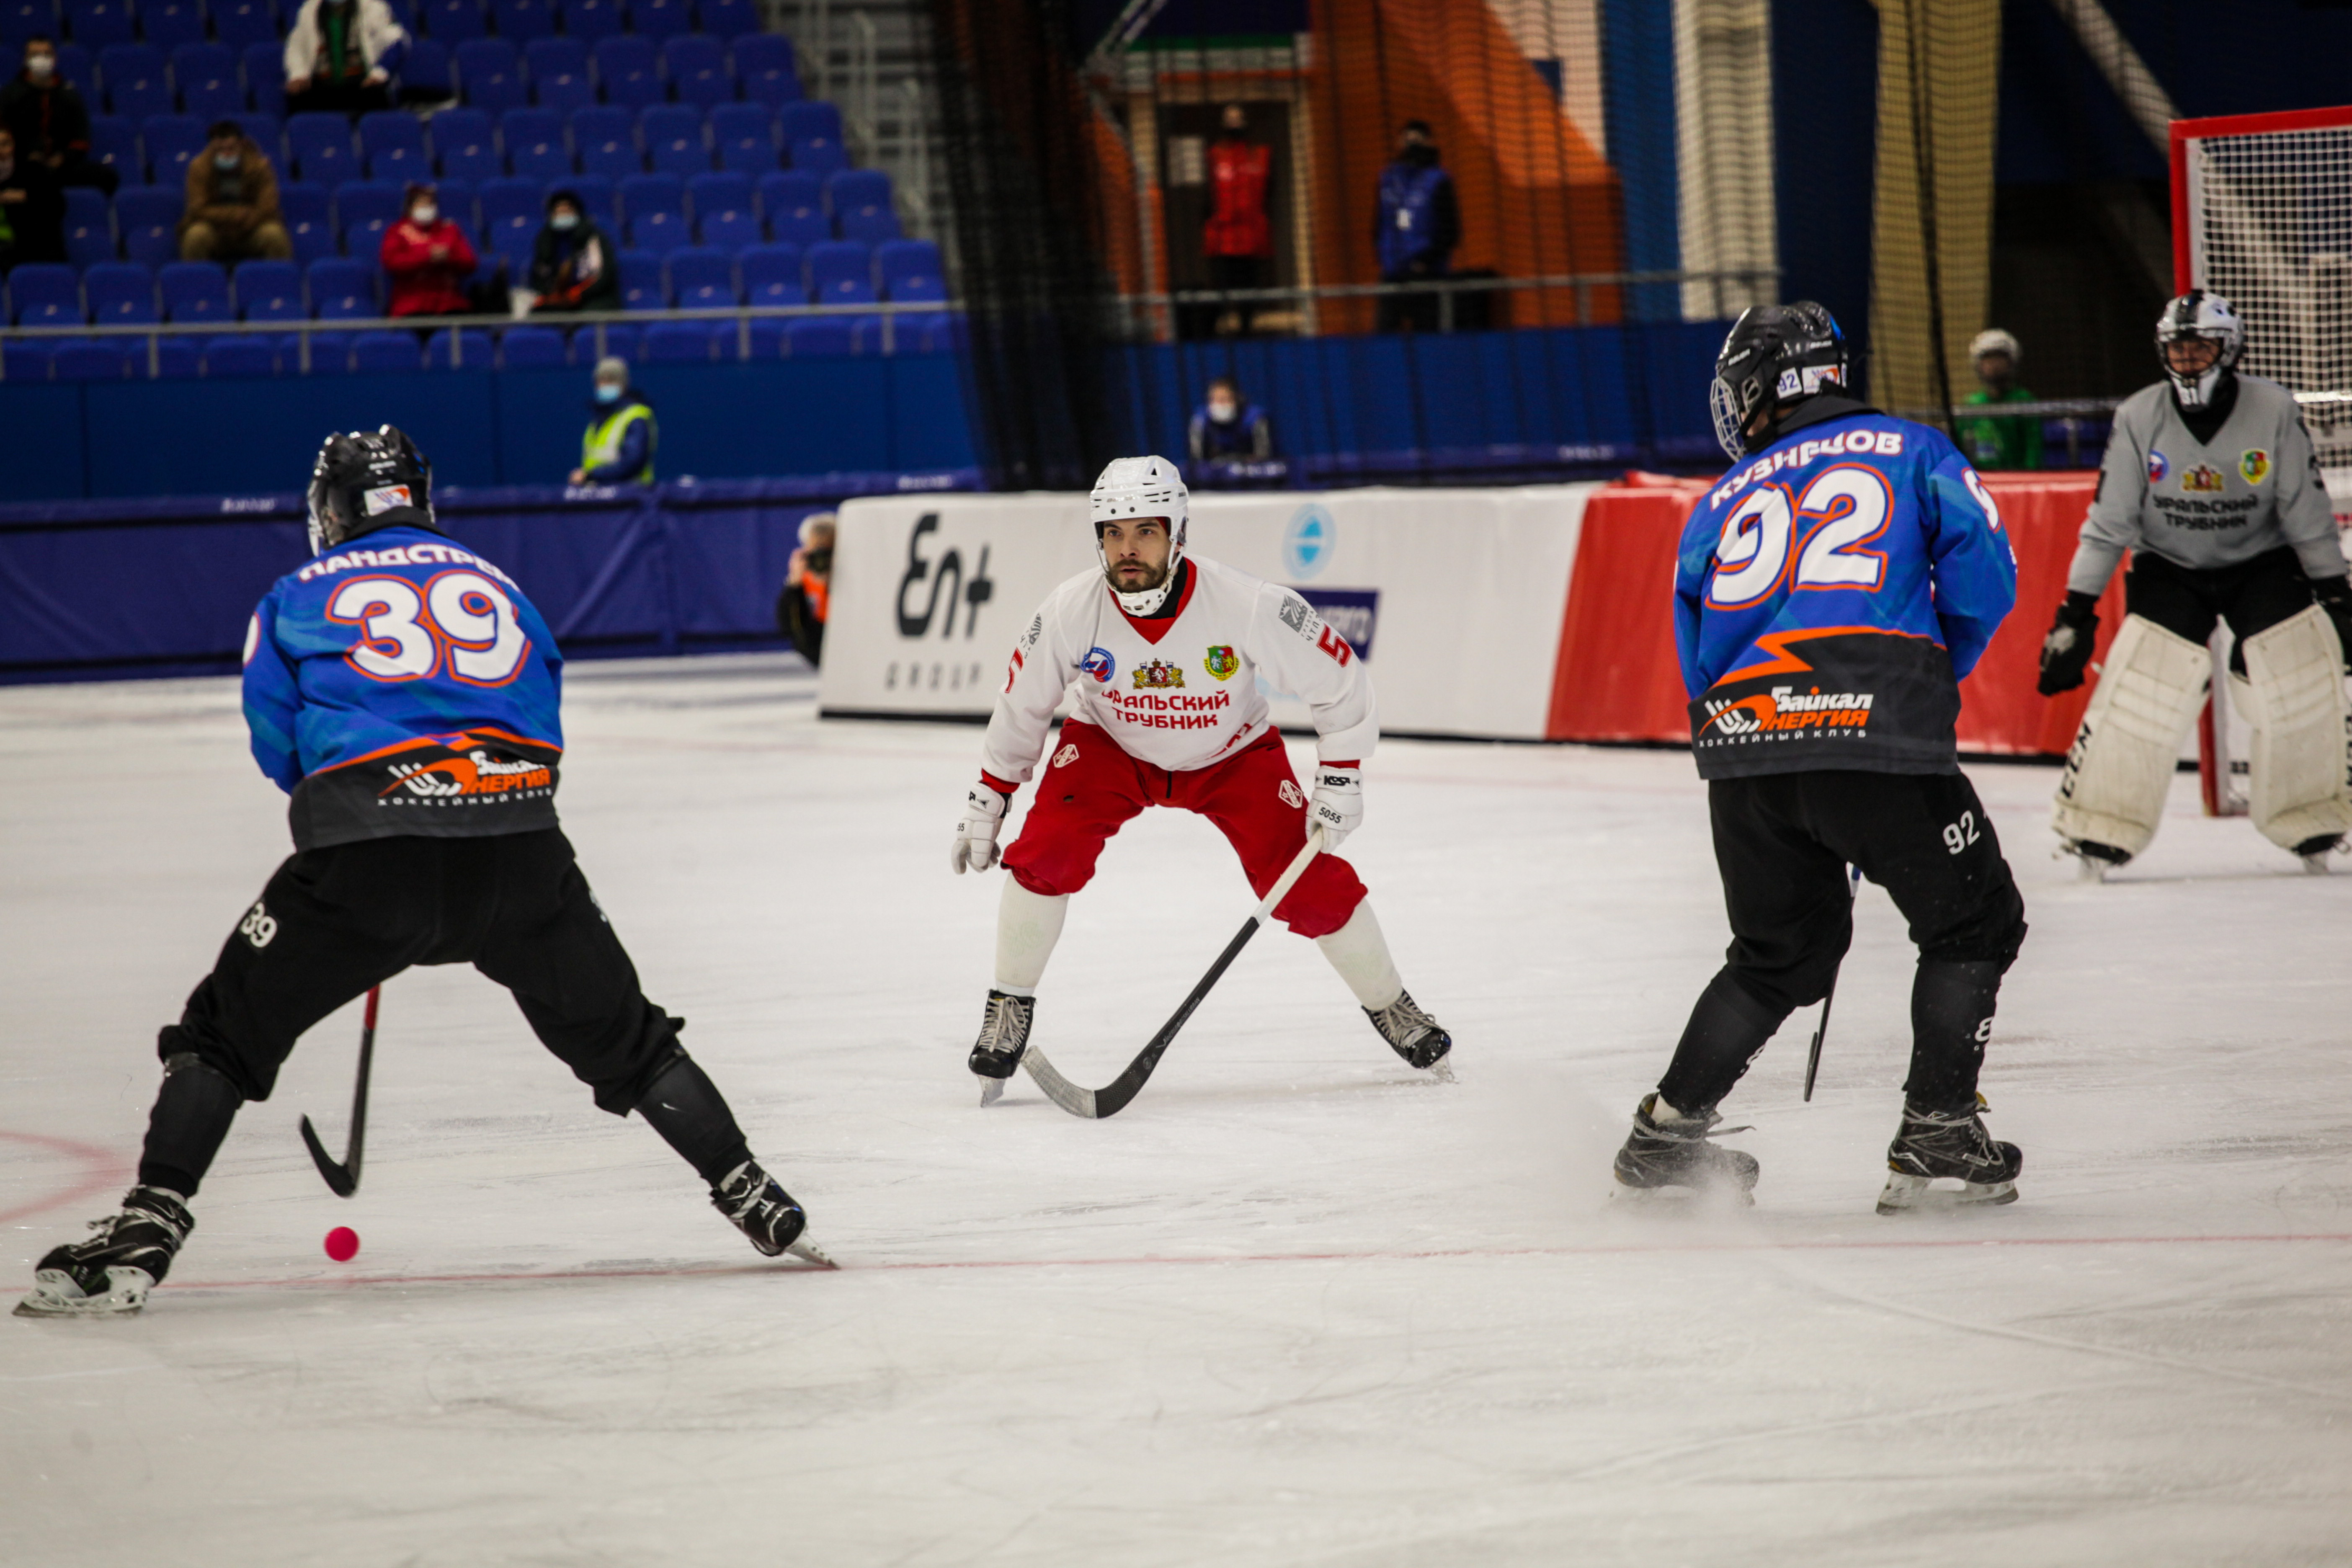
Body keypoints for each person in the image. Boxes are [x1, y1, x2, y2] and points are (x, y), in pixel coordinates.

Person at [13, 428, 823, 1318]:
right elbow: (543, 710)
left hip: (367, 854)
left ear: (332, 510)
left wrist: (366, 816)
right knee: (631, 1041)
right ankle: (749, 1188)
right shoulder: (495, 581)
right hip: (518, 848)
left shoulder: (293, 595)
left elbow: (278, 741)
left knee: (222, 1033)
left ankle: (151, 1221)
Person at [1613, 301, 2027, 1214]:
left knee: (1774, 956)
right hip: (1876, 729)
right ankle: (1938, 1134)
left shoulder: (1720, 498)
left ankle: (1663, 1141)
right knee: (1973, 924)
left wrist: (1758, 732)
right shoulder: (1916, 450)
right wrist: (1920, 680)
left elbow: (1697, 649)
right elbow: (1985, 578)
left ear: (1764, 387)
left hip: (1744, 749)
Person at [948, 456, 1455, 1097]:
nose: (1127, 550)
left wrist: (1342, 776)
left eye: (1145, 532)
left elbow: (1341, 679)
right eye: (1113, 534)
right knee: (1047, 850)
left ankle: (1392, 1005)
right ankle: (1009, 1005)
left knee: (1306, 882)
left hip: (1232, 755)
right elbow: (1021, 703)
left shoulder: (1248, 605)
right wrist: (988, 799)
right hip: (1111, 748)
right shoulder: (1072, 608)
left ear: (1178, 533)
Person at [2035, 290, 2352, 875]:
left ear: (2229, 351)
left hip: (2262, 564)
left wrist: (2335, 593)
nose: (2188, 361)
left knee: (2303, 676)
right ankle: (2100, 831)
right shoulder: (2138, 415)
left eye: (2200, 348)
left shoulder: (2274, 409)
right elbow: (2109, 524)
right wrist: (2073, 616)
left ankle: (2313, 822)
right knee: (2141, 692)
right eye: (2178, 350)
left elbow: (2305, 509)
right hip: (2170, 568)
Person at [1373, 119, 1459, 333]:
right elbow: (1378, 223)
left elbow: (1451, 231)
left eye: (1418, 141)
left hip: (1429, 277)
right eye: (1407, 141)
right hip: (1393, 275)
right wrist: (1384, 255)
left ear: (1429, 143)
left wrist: (1425, 261)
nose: (1412, 146)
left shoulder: (1439, 180)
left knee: (1429, 338)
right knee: (1385, 338)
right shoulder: (1388, 179)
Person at [1, 37, 115, 195]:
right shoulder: (10, 95)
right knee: (36, 175)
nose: (41, 59)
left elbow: (81, 140)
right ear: (26, 59)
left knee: (107, 176)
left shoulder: (69, 95)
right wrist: (28, 154)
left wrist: (62, 159)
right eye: (35, 55)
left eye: (46, 54)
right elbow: (4, 136)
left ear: (55, 58)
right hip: (23, 165)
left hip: (62, 165)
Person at [1201, 103, 1272, 338]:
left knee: (1249, 292)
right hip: (1223, 240)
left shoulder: (1259, 155)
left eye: (1238, 118)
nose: (1234, 123)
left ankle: (1247, 333)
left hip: (1251, 240)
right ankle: (1210, 335)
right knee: (1219, 291)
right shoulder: (1214, 156)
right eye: (1229, 118)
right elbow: (1206, 199)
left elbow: (1269, 196)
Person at [178, 121, 292, 264]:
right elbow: (198, 208)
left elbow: (267, 207)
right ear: (211, 147)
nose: (226, 154)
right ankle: (195, 281)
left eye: (231, 148)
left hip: (252, 227)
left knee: (274, 235)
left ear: (241, 145)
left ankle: (280, 282)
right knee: (195, 236)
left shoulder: (260, 166)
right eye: (220, 150)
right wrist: (237, 214)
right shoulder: (198, 167)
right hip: (214, 228)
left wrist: (246, 222)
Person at [283, 0, 405, 119]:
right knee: (297, 98)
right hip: (322, 85)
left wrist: (379, 73)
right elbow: (296, 47)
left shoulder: (374, 8)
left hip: (362, 84)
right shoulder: (309, 11)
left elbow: (396, 42)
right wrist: (298, 74)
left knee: (377, 95)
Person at [379, 181, 482, 317]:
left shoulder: (449, 229)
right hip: (412, 304)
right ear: (410, 208)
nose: (428, 208)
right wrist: (427, 257)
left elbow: (469, 262)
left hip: (449, 303)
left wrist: (448, 258)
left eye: (431, 204)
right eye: (423, 205)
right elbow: (392, 262)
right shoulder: (397, 231)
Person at [1955, 328, 2043, 471]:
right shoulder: (1971, 404)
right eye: (1988, 358)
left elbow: (2033, 450)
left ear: (2011, 362)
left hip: (2016, 481)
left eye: (1999, 358)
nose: (1994, 365)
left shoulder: (2024, 401)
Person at [528, 189, 620, 314]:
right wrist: (550, 295)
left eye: (566, 211)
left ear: (577, 213)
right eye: (558, 212)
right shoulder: (545, 241)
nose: (563, 216)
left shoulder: (594, 238)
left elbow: (605, 274)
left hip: (593, 298)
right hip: (557, 300)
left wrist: (578, 294)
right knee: (538, 315)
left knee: (591, 317)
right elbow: (538, 276)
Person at [569, 356, 655, 485]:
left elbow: (633, 462)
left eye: (611, 381)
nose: (605, 385)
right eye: (601, 380)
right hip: (598, 496)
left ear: (623, 384)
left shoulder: (636, 416)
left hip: (631, 498)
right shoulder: (598, 420)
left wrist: (592, 475)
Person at [0, 126, 67, 271]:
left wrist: (26, 197)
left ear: (14, 146)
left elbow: (57, 207)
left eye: (5, 145)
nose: (1, 152)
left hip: (34, 251)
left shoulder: (33, 172)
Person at [775, 511, 833, 666]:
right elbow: (788, 627)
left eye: (828, 552)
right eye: (816, 552)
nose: (822, 560)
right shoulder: (804, 581)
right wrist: (794, 584)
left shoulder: (853, 574)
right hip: (817, 643)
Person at [1187, 376, 1274, 465]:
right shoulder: (1201, 420)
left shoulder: (1254, 418)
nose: (1220, 405)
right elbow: (1197, 463)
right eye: (1215, 400)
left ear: (1237, 399)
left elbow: (1264, 459)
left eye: (1224, 399)